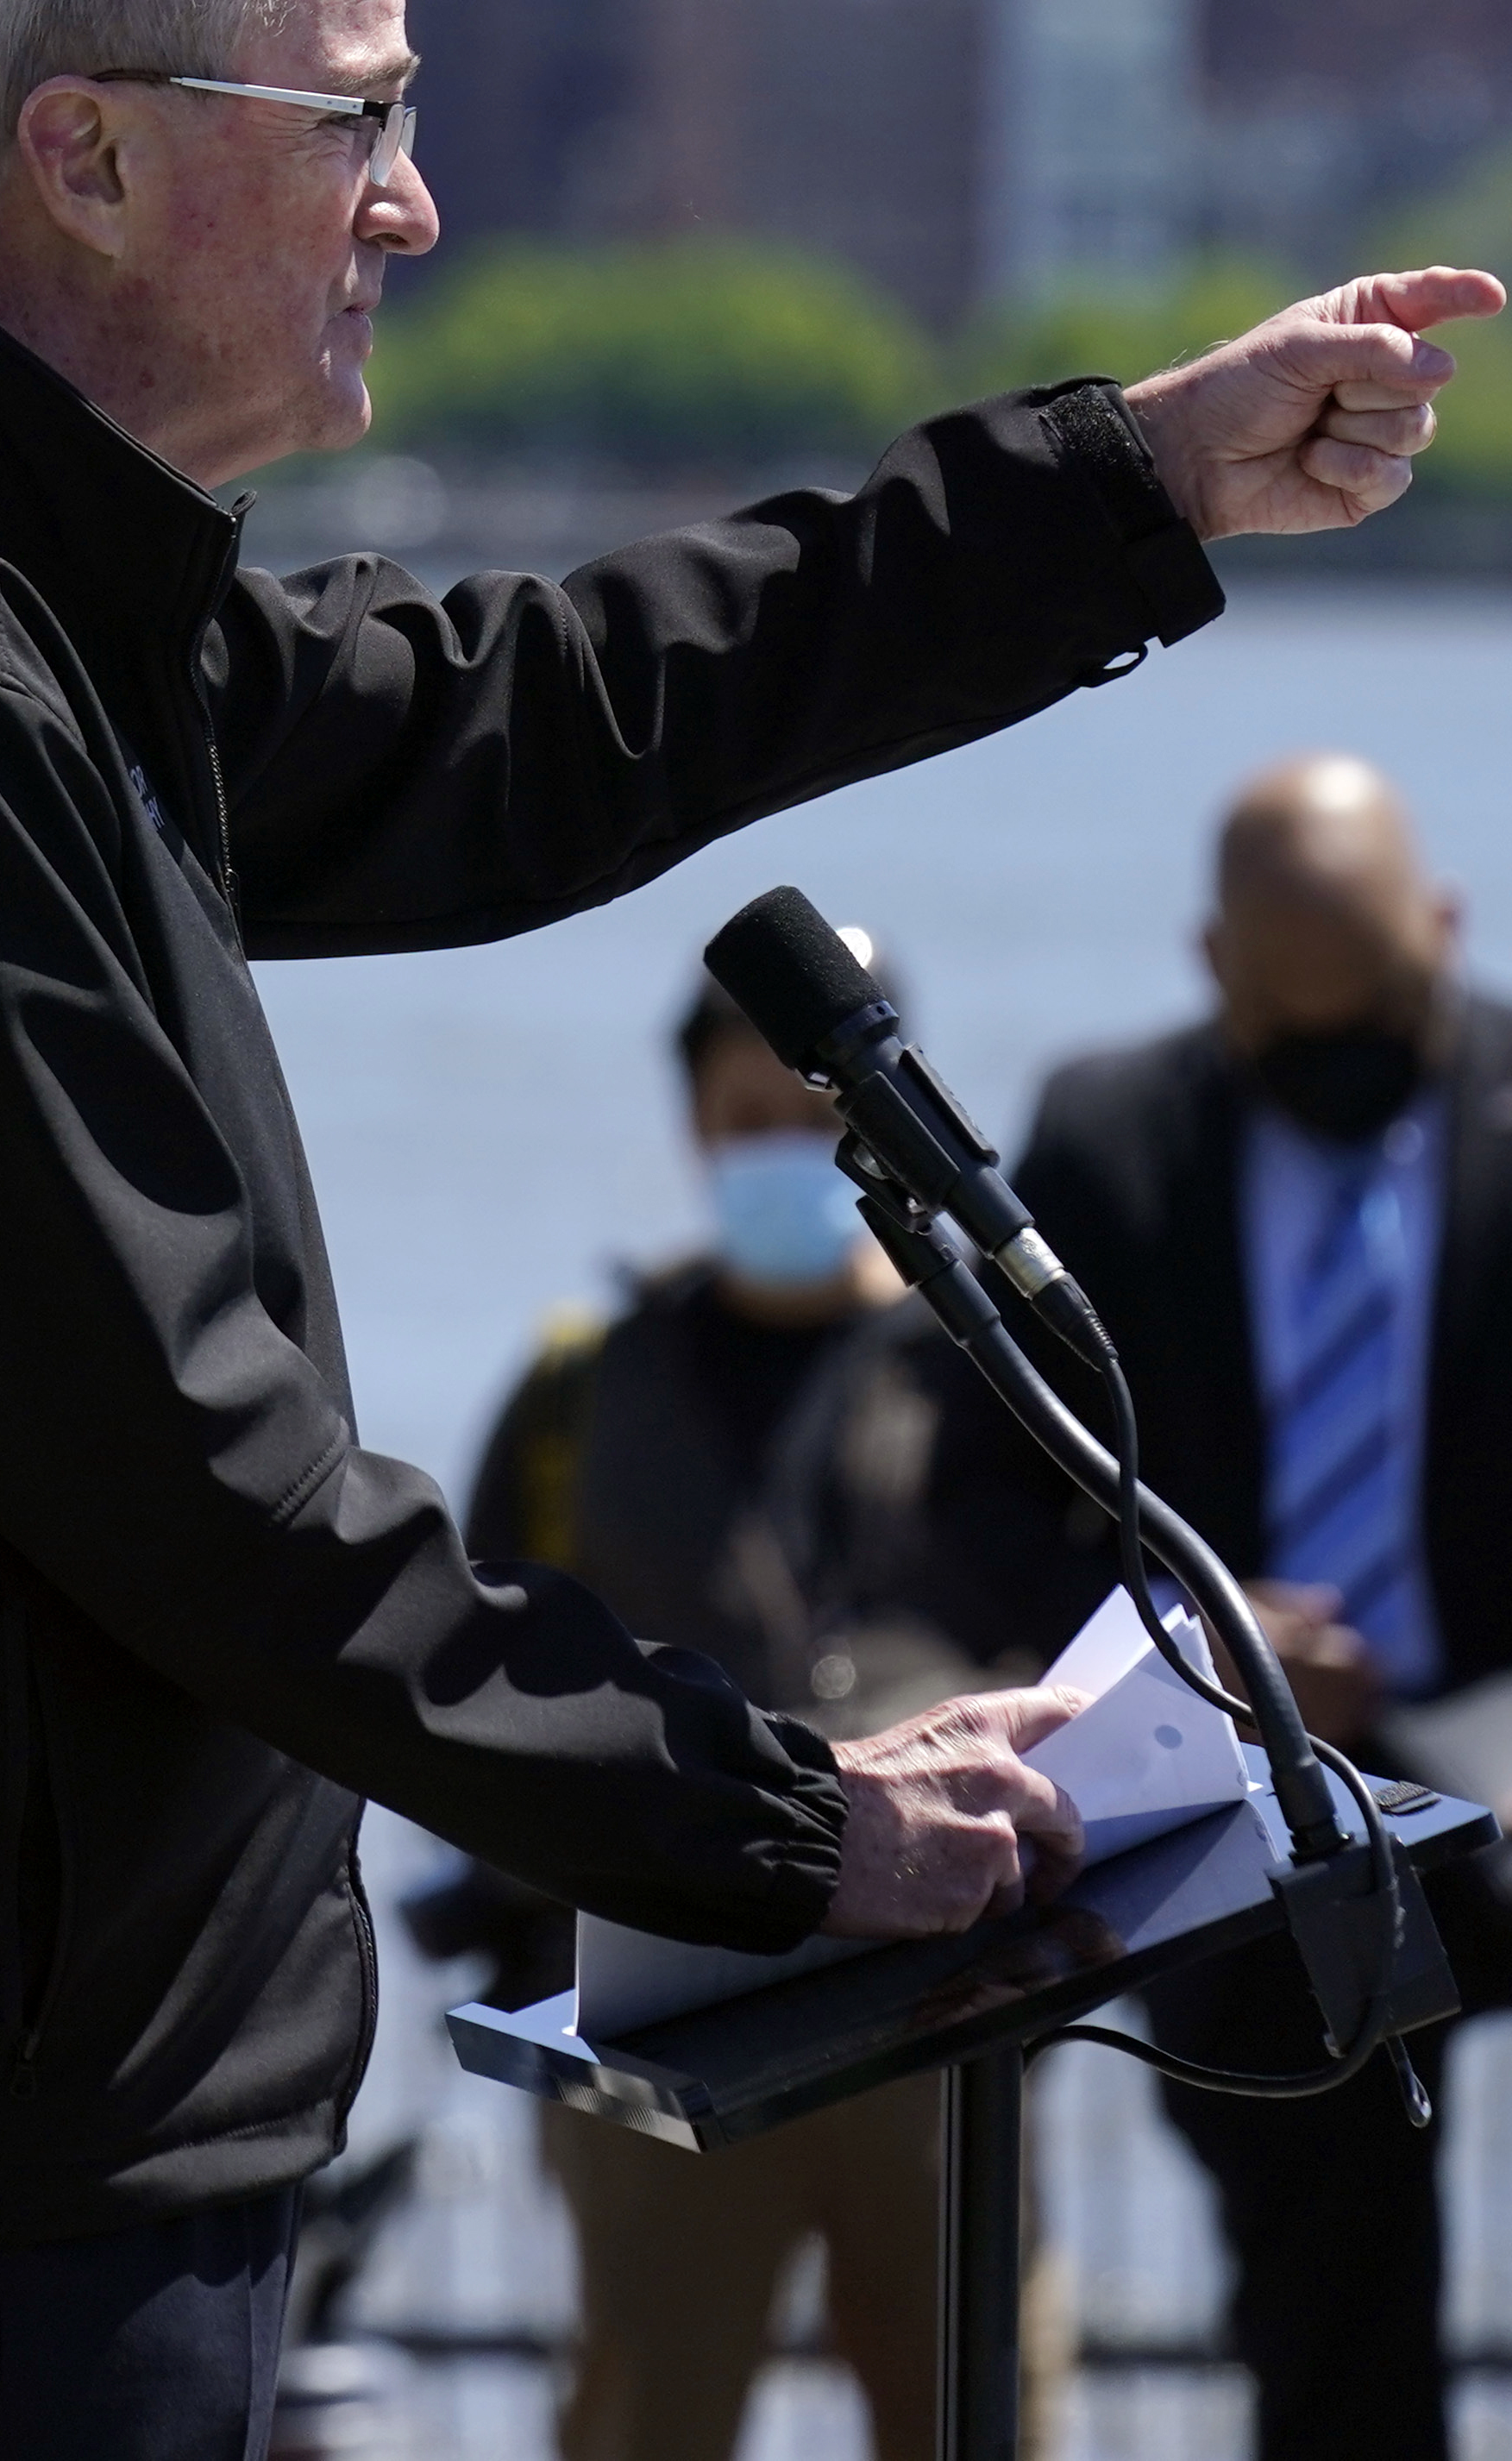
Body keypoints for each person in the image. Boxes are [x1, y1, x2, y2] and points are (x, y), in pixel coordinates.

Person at [0, 0, 1505, 2458]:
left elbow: (520, 714)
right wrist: (770, 1824)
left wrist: (1119, 486)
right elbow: (181, 1461)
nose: (410, 203)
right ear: (75, 151)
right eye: (357, 122)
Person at [1007, 754, 1512, 2461]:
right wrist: (1201, 1639)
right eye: (1295, 1030)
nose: (1342, 1057)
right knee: (1329, 2281)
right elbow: (994, 1477)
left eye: (1377, 1003)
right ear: (1211, 965)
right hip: (1279, 1816)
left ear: (1442, 926)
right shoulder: (1101, 1140)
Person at [448, 957, 1088, 2461]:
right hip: (669, 2014)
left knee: (982, 2413)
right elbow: (482, 1664)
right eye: (746, 1124)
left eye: (808, 1123)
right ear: (692, 1126)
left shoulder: (995, 1369)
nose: (777, 1157)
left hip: (957, 2012)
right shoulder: (581, 1383)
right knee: (646, 2415)